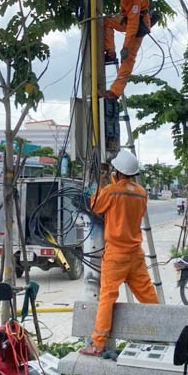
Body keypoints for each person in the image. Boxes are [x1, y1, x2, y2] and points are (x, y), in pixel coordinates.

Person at [80, 149, 159, 356]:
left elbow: (95, 206)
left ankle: (98, 344)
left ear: (118, 171)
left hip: (116, 255)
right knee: (148, 295)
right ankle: (162, 333)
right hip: (136, 254)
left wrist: (101, 182)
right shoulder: (141, 193)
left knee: (107, 297)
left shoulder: (111, 191)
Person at [101, 0, 150, 101]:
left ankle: (115, 92)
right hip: (127, 17)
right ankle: (110, 52)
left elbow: (133, 25)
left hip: (139, 23)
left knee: (128, 58)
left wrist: (126, 47)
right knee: (106, 21)